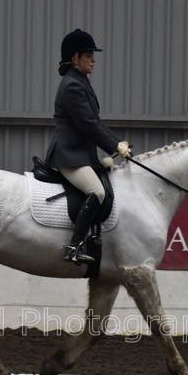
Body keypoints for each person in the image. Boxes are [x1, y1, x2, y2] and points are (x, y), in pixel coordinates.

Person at [45, 28, 131, 264]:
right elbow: (89, 125)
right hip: (68, 155)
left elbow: (95, 123)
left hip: (81, 153)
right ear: (74, 58)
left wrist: (116, 144)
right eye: (87, 55)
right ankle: (73, 246)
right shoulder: (72, 86)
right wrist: (116, 145)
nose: (93, 59)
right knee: (97, 192)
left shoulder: (80, 81)